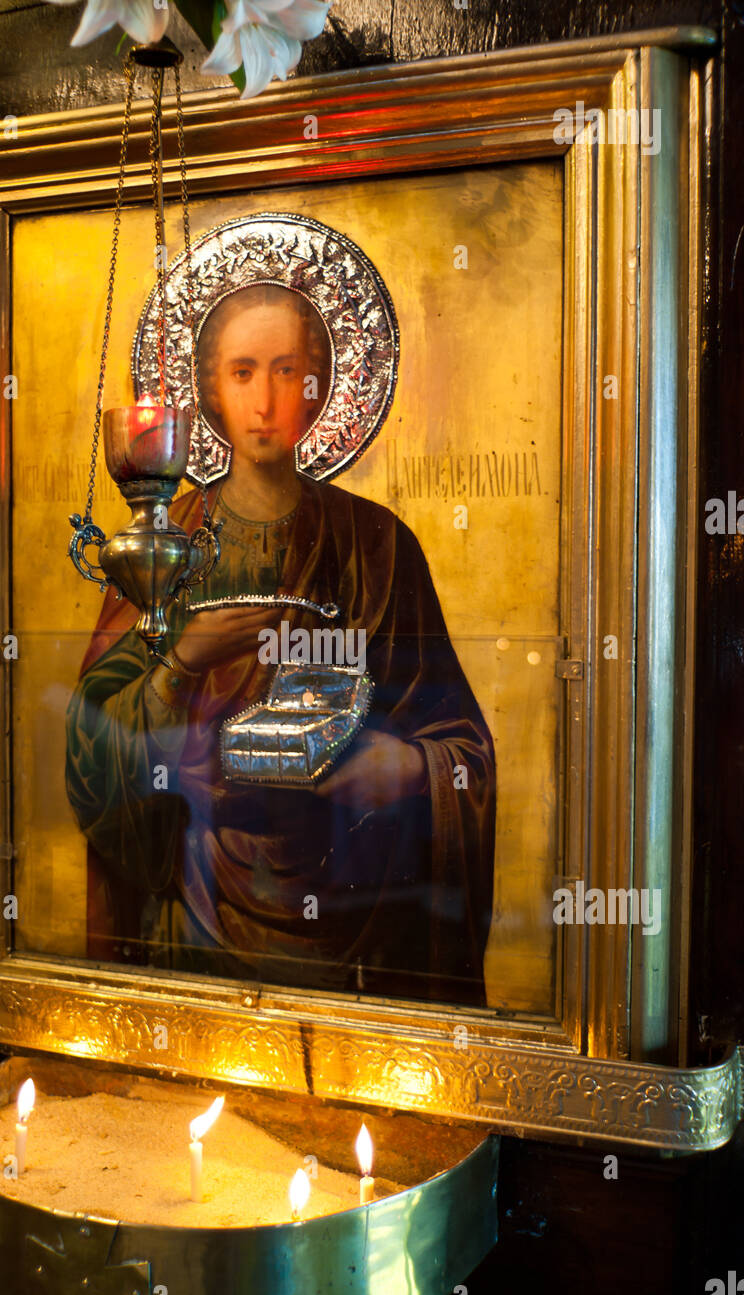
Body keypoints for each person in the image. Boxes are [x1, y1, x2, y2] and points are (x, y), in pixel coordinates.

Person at [66, 282, 496, 1005]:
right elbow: (92, 750)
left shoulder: (380, 545)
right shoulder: (162, 550)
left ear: (319, 387)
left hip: (359, 903)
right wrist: (181, 662)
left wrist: (409, 770)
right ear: (209, 389)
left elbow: (462, 749)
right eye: (242, 372)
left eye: (286, 369)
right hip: (200, 902)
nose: (264, 401)